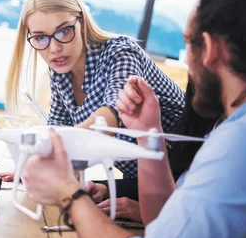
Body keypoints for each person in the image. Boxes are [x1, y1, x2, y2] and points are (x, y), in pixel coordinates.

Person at [22, 0, 246, 238]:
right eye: (41, 38)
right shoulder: (232, 131)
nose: (54, 47)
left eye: (188, 44)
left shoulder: (239, 142)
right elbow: (167, 223)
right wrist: (149, 134)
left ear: (210, 49)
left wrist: (68, 193)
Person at [5, 0, 184, 180]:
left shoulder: (120, 53)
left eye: (64, 31)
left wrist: (50, 149)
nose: (54, 48)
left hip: (185, 175)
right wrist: (29, 167)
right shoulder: (60, 71)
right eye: (40, 38)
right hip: (141, 182)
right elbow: (57, 128)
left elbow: (113, 114)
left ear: (81, 22)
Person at [88, 77, 221, 222]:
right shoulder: (204, 114)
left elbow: (204, 222)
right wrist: (104, 189)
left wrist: (146, 212)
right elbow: (173, 181)